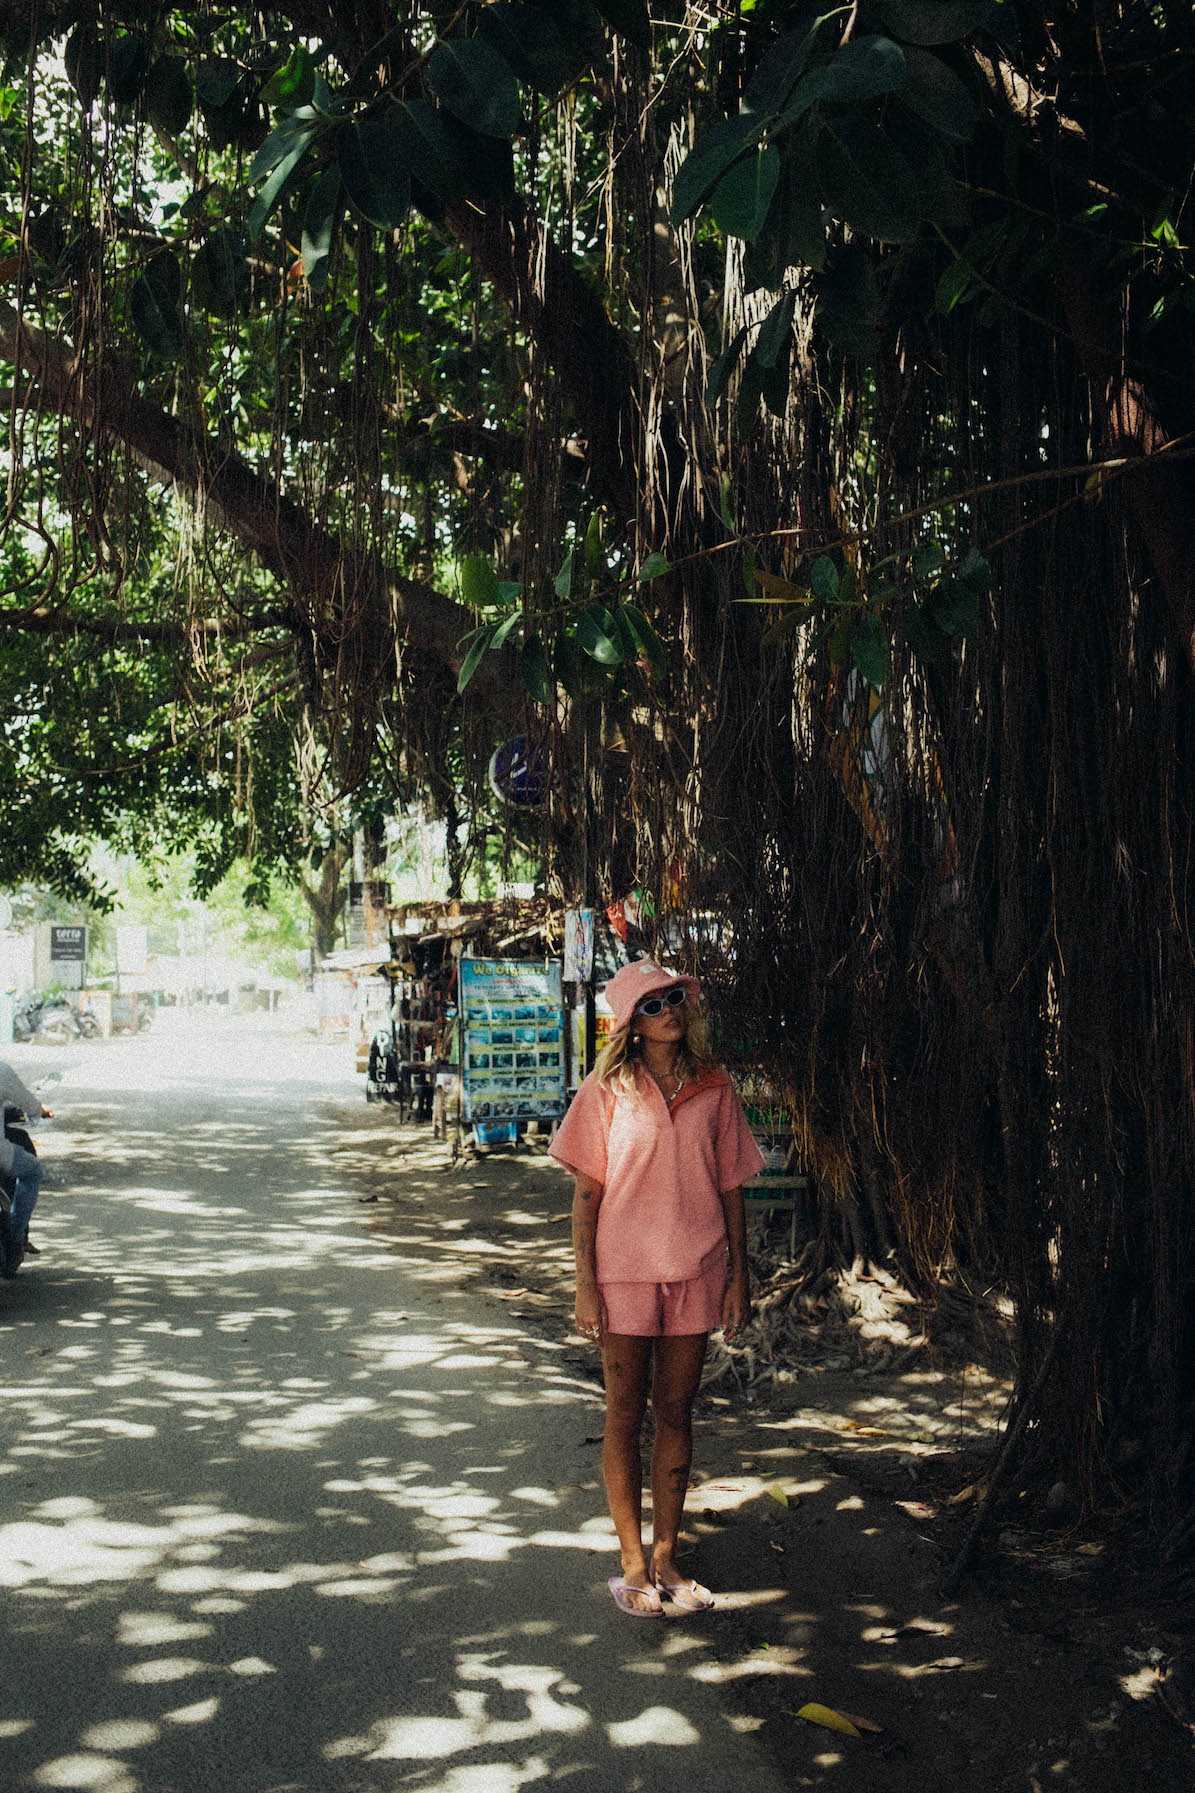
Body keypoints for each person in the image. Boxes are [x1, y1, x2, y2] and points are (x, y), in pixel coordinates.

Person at [549, 959, 765, 1617]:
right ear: (629, 1024)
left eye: (674, 998)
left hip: (696, 1271)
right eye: (652, 1003)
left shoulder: (714, 1086)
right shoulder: (605, 1091)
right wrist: (585, 1287)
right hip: (623, 1274)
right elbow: (586, 1200)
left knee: (675, 1411)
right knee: (622, 1413)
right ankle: (633, 1563)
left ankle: (668, 1557)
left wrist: (737, 1276)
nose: (669, 1008)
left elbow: (731, 1187)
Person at [0, 1059, 53, 1270]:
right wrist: (38, 1111)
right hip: (2, 1155)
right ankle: (17, 1234)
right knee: (33, 1172)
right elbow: (28, 1103)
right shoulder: (2, 1070)